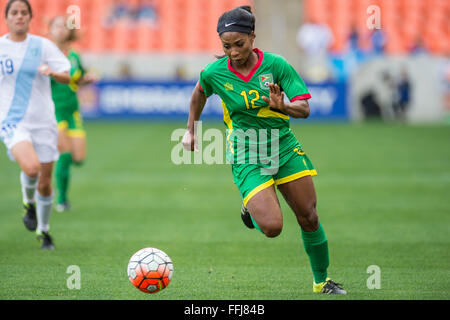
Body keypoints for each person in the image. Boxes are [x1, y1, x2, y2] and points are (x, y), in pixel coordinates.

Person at [182, 6, 346, 294]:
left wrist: (283, 106)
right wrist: (190, 130)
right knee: (272, 227)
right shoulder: (213, 73)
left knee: (309, 216)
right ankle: (250, 208)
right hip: (246, 153)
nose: (233, 52)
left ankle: (322, 282)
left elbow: (304, 109)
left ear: (253, 37)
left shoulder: (277, 65)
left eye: (239, 44)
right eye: (226, 46)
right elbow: (198, 94)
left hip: (283, 146)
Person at [0, 0, 71, 249]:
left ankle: (43, 230)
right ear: (7, 17)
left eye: (23, 13)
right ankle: (27, 203)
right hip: (12, 121)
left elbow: (67, 75)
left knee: (45, 181)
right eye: (14, 13)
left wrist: (51, 72)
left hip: (44, 122)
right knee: (31, 168)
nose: (19, 17)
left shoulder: (42, 46)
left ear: (30, 17)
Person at [48, 16, 97, 212]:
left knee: (78, 158)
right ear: (50, 30)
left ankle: (51, 173)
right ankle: (62, 199)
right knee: (65, 154)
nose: (61, 30)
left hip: (72, 110)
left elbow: (78, 80)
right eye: (56, 26)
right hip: (53, 111)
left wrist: (87, 79)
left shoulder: (75, 55)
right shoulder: (45, 56)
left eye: (64, 26)